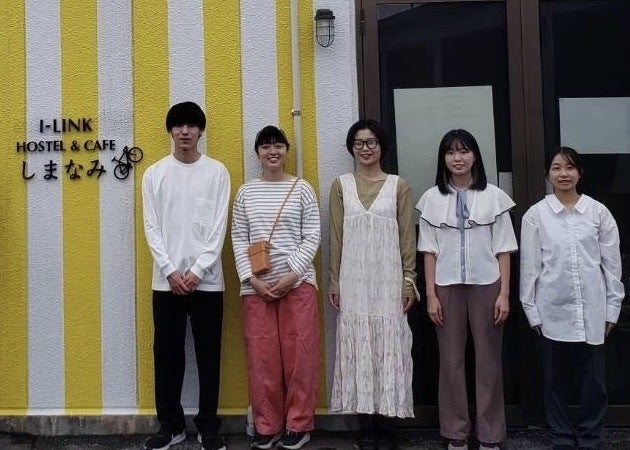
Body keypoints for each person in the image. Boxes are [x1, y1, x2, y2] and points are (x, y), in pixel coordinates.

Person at [416, 129, 517, 450]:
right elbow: (428, 251)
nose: (457, 158)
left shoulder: (494, 197)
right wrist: (431, 295)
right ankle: (456, 433)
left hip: (487, 284)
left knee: (489, 362)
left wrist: (504, 293)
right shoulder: (432, 199)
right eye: (450, 152)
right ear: (443, 159)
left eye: (464, 151)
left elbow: (504, 248)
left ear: (475, 156)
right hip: (446, 286)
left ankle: (490, 435)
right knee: (450, 361)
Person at [520, 146, 624, 450]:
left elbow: (611, 265)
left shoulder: (598, 212)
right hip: (551, 307)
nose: (563, 174)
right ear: (547, 174)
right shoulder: (536, 215)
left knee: (594, 381)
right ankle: (561, 436)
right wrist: (531, 310)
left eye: (569, 168)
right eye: (556, 168)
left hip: (592, 307)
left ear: (580, 172)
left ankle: (591, 435)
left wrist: (612, 308)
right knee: (554, 380)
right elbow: (530, 267)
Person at [142, 101, 230, 450]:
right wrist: (169, 270)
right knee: (167, 355)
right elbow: (152, 227)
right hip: (166, 282)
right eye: (178, 125)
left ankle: (209, 426)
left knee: (209, 356)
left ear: (200, 131)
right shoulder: (155, 174)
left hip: (207, 282)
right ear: (170, 131)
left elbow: (218, 228)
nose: (185, 132)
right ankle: (171, 426)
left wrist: (197, 270)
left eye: (192, 125)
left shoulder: (217, 172)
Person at [329, 119, 416, 450]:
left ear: (382, 146)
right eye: (359, 143)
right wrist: (334, 281)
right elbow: (335, 237)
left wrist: (409, 281)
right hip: (353, 280)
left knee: (389, 348)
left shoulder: (398, 186)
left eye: (371, 142)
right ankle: (365, 427)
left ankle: (388, 427)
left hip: (388, 280)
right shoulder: (341, 186)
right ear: (351, 148)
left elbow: (407, 238)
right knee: (358, 350)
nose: (365, 148)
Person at [231, 125, 321, 450]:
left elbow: (312, 234)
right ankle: (266, 426)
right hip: (256, 288)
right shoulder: (245, 192)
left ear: (286, 150)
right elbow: (238, 238)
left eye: (278, 145)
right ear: (257, 153)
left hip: (298, 285)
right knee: (262, 359)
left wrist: (291, 275)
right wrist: (251, 279)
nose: (272, 151)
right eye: (266, 146)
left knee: (301, 357)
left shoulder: (302, 189)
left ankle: (299, 424)